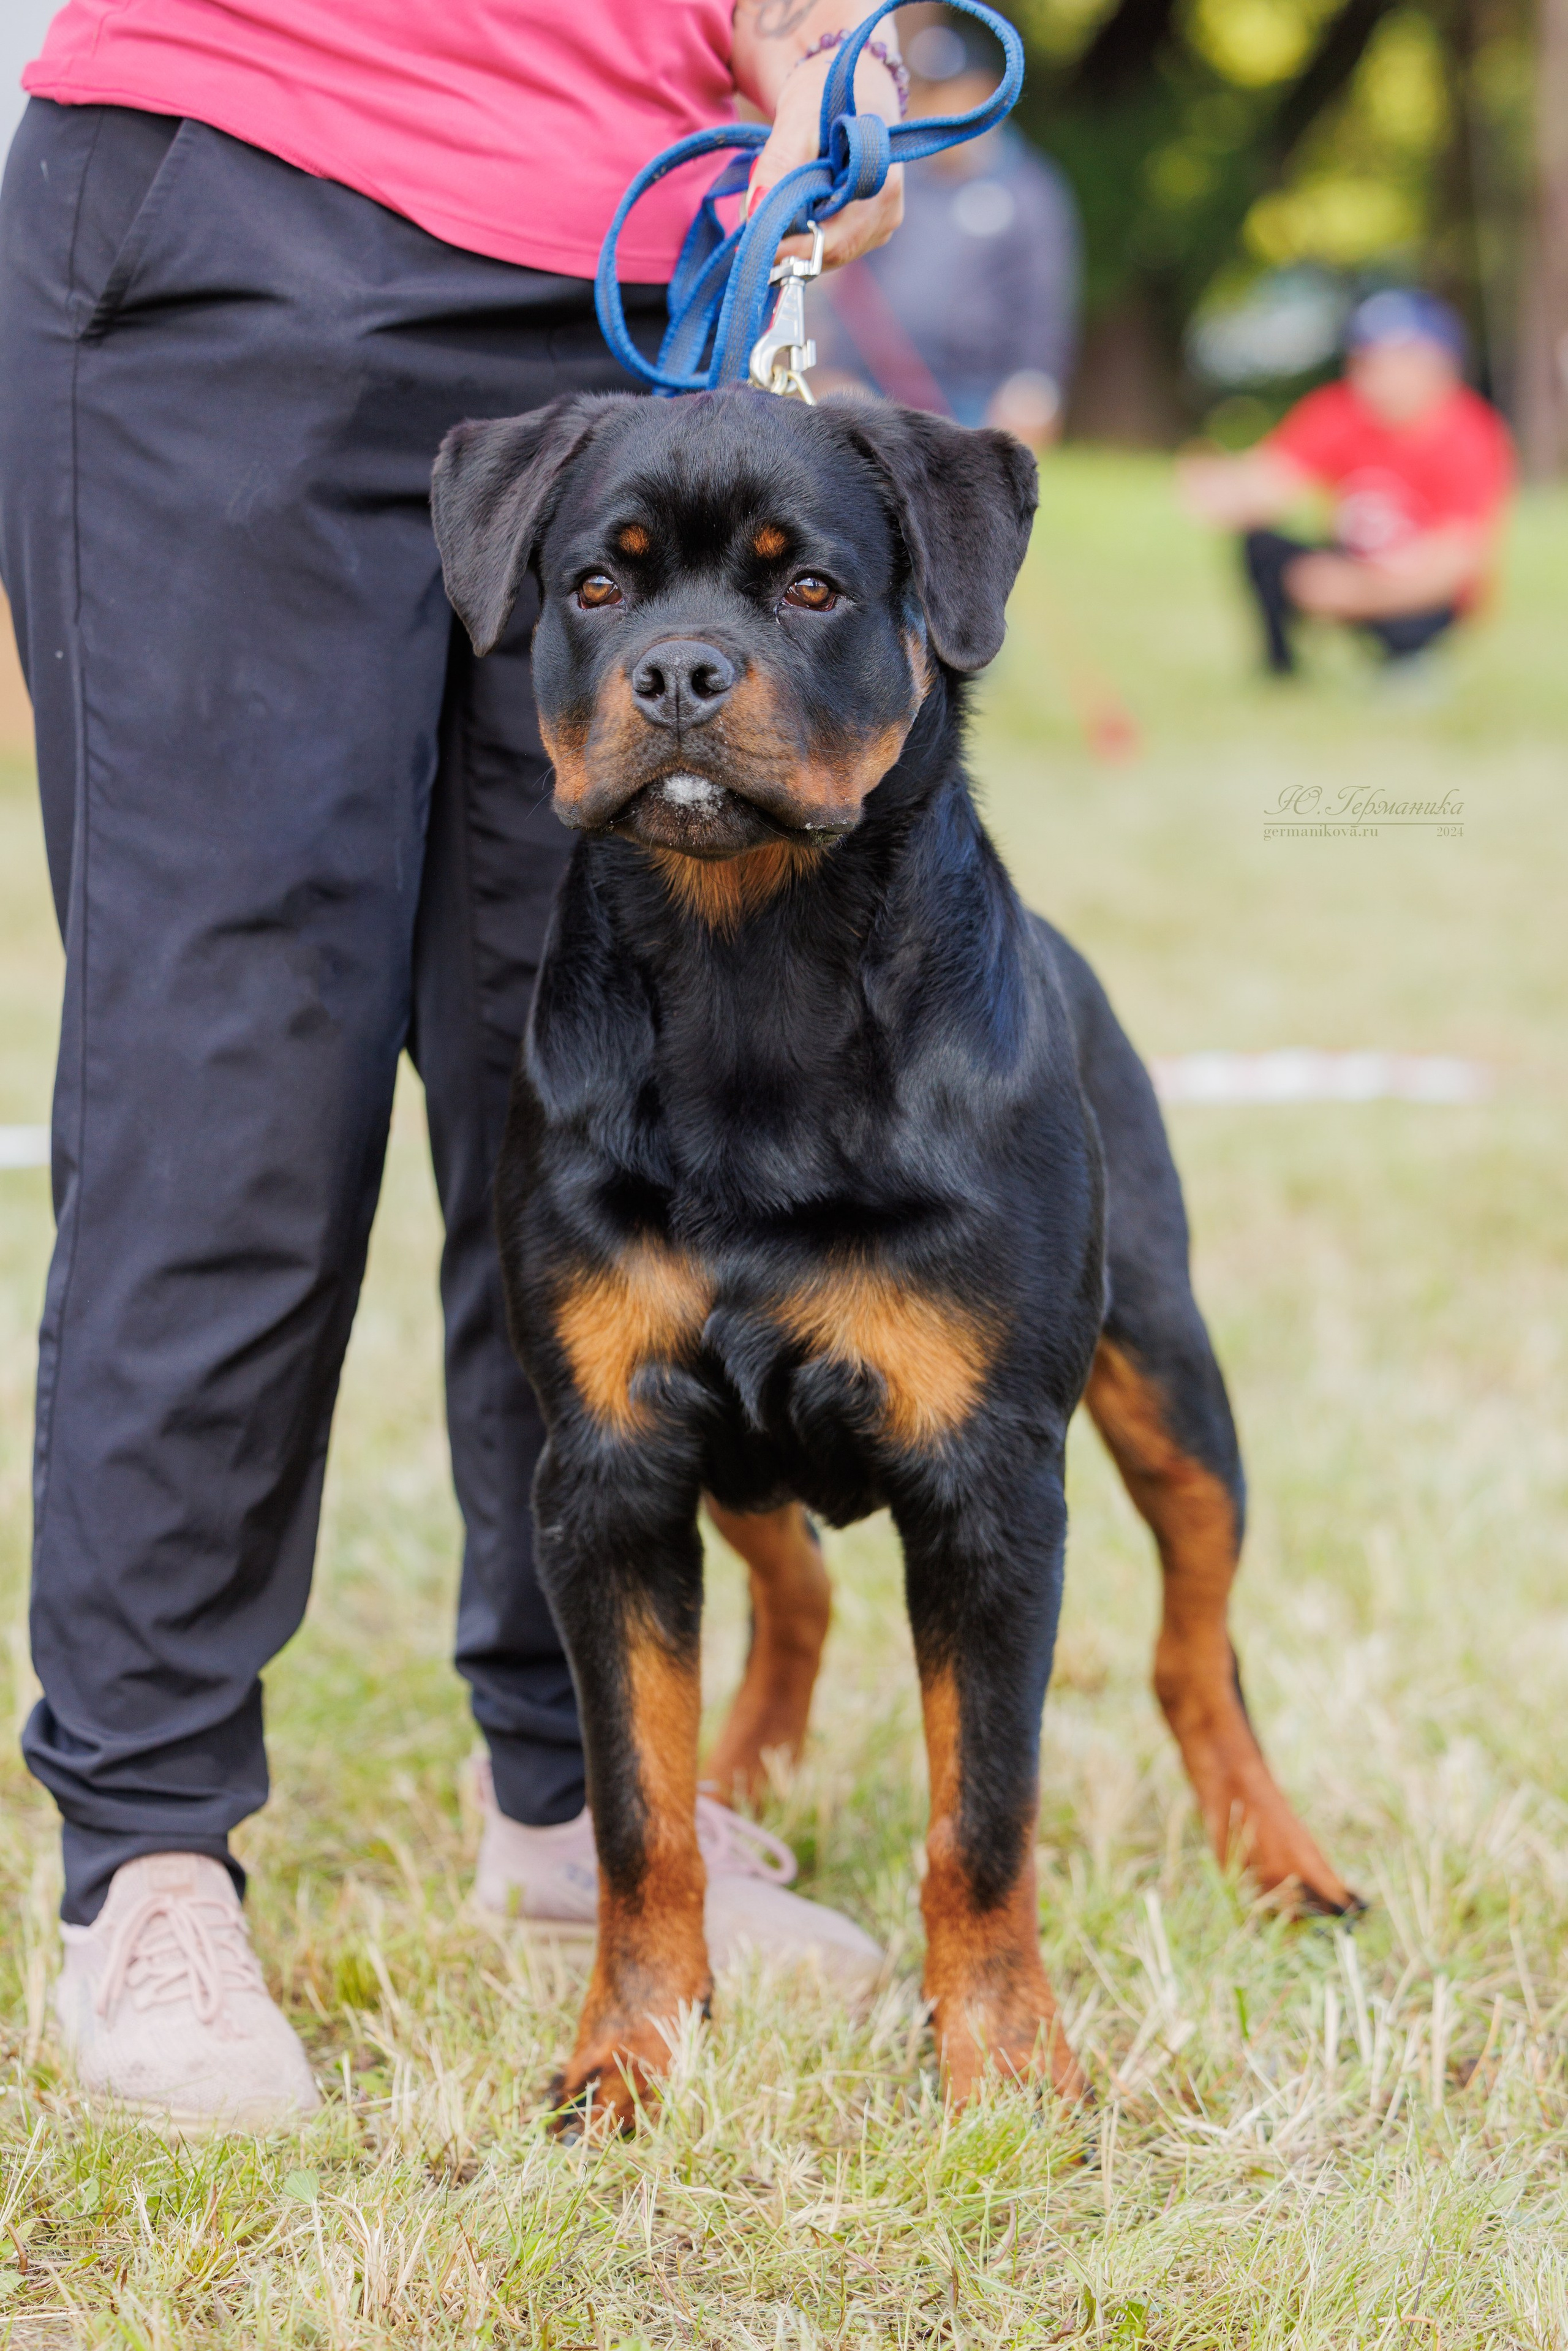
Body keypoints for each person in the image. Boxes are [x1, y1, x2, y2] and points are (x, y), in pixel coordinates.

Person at [0, 0, 906, 2132]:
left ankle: (582, 1793)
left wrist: (828, 64)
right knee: (238, 1068)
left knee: (592, 1086)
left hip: (633, 276)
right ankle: (142, 1852)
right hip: (239, 213)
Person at [1178, 289, 1515, 676]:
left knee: (1422, 606)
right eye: (1369, 361)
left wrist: (1355, 591)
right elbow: (1269, 482)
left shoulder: (1473, 434)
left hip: (1422, 584)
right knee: (1262, 547)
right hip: (1356, 555)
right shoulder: (1340, 411)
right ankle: (1280, 670)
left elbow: (1455, 562)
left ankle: (1410, 663)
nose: (1382, 377)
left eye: (1400, 362)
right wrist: (1220, 488)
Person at [807, 14, 1079, 446]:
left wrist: (1034, 390)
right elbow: (845, 281)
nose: (938, 109)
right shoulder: (888, 178)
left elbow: (1043, 309)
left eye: (952, 92)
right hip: (872, 390)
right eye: (928, 93)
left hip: (976, 399)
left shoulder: (1030, 192)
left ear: (986, 93)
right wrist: (828, 369)